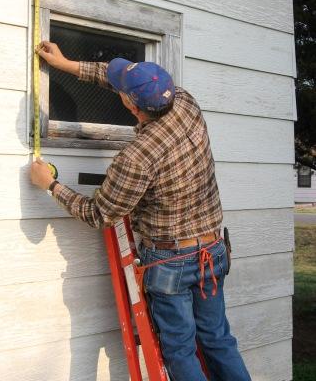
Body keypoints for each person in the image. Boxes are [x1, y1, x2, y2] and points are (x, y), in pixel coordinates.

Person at [31, 41, 251, 381]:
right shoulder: (184, 102)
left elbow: (99, 214)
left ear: (132, 107)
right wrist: (67, 64)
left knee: (179, 349)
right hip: (213, 250)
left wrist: (51, 185)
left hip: (171, 263)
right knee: (218, 339)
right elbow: (115, 77)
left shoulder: (137, 158)